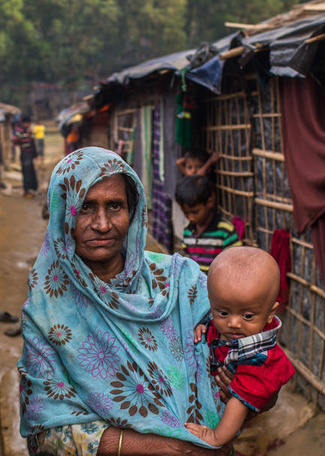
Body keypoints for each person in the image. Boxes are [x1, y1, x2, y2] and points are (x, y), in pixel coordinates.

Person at [19, 147, 248, 456]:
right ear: (63, 213)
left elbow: (255, 358)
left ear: (133, 210)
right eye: (85, 208)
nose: (102, 224)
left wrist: (246, 387)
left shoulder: (183, 282)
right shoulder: (47, 311)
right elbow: (48, 430)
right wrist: (173, 449)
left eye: (115, 206)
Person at [186, 247, 295, 447]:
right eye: (223, 313)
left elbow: (239, 402)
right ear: (211, 303)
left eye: (247, 316)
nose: (234, 323)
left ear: (271, 313)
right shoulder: (228, 325)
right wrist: (204, 327)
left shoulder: (259, 357)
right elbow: (215, 327)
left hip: (230, 414)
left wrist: (216, 437)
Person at [175, 175, 242, 273]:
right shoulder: (188, 230)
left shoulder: (225, 232)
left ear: (210, 202)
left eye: (195, 212)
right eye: (186, 213)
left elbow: (236, 264)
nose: (191, 217)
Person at [14, 116, 39, 198]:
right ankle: (27, 190)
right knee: (27, 172)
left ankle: (32, 188)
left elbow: (32, 143)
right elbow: (15, 140)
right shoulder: (19, 131)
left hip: (30, 154)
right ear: (24, 123)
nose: (28, 125)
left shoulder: (28, 131)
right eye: (27, 123)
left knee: (31, 171)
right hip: (25, 153)